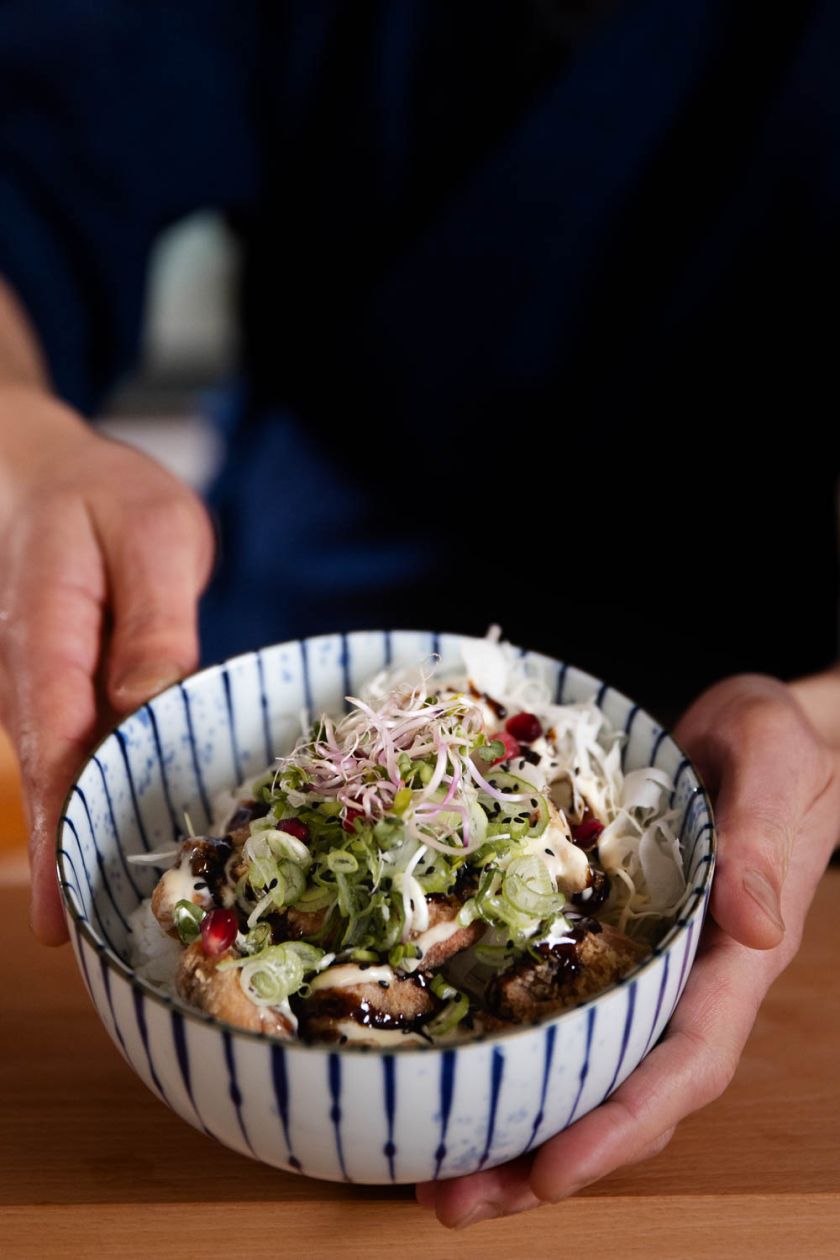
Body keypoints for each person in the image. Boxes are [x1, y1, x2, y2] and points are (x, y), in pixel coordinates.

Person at [1, 0, 838, 1229]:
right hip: (265, 647)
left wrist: (824, 722)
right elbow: (31, 152)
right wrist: (21, 441)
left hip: (744, 721)